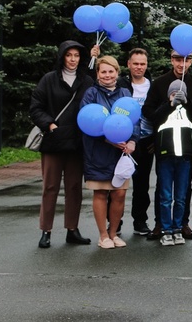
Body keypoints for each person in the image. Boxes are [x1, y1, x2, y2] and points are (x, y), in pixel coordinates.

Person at [29, 40, 96, 248]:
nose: (73, 60)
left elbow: (93, 106)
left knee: (74, 188)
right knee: (50, 187)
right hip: (54, 143)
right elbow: (36, 107)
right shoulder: (49, 80)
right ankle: (46, 231)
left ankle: (72, 229)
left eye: (76, 56)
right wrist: (49, 125)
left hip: (76, 144)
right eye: (69, 55)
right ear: (62, 57)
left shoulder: (86, 81)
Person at [142, 48, 192, 241]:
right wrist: (167, 105)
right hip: (165, 145)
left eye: (186, 60)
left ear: (191, 61)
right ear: (171, 60)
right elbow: (149, 114)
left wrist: (188, 103)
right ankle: (161, 224)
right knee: (163, 187)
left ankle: (182, 223)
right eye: (177, 59)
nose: (181, 64)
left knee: (185, 187)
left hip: (186, 147)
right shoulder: (159, 83)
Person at [80, 55, 137, 249]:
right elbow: (88, 123)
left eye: (110, 71)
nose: (107, 75)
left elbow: (135, 120)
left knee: (120, 194)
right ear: (97, 74)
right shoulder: (91, 94)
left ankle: (114, 233)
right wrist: (109, 140)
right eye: (103, 71)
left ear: (117, 72)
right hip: (98, 152)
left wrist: (132, 141)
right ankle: (103, 235)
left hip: (121, 153)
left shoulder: (125, 94)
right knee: (101, 192)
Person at [116, 48, 155, 237]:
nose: (139, 67)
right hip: (122, 141)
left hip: (146, 141)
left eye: (142, 64)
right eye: (135, 63)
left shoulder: (152, 85)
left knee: (142, 184)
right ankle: (114, 222)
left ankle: (140, 221)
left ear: (146, 65)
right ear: (128, 64)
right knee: (118, 183)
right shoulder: (120, 84)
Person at [155, 80, 192, 246]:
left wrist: (188, 102)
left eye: (180, 94)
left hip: (184, 158)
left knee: (181, 196)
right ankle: (166, 230)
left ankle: (177, 227)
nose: (177, 96)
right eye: (173, 93)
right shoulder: (164, 109)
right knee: (165, 196)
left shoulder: (188, 109)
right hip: (166, 157)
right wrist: (170, 104)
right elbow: (154, 117)